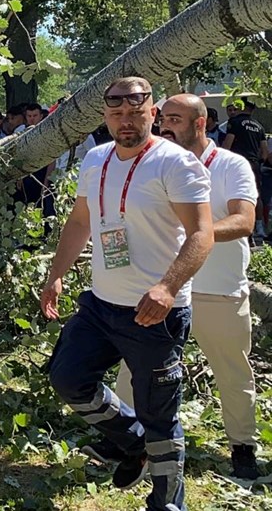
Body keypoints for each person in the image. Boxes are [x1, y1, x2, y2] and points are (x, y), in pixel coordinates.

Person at [41, 77, 213, 511]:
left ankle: (167, 503)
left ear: (152, 114)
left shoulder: (175, 164)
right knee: (67, 379)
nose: (125, 122)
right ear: (106, 116)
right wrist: (56, 273)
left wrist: (167, 287)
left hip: (154, 313)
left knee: (161, 414)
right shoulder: (96, 158)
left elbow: (202, 234)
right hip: (101, 304)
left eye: (135, 113)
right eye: (116, 114)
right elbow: (81, 221)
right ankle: (133, 442)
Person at [112, 94, 262, 479]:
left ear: (200, 124)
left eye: (175, 119)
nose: (165, 125)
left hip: (219, 288)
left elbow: (245, 221)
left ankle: (242, 447)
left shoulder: (232, 164)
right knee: (134, 371)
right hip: (165, 289)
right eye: (163, 118)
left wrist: (196, 236)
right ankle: (129, 446)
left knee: (232, 372)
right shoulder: (153, 162)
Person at [221, 100, 268, 238]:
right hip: (254, 164)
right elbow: (264, 153)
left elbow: (227, 144)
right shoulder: (259, 126)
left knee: (234, 194)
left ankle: (238, 225)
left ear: (241, 107)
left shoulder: (234, 122)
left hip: (237, 163)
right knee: (256, 194)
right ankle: (259, 227)